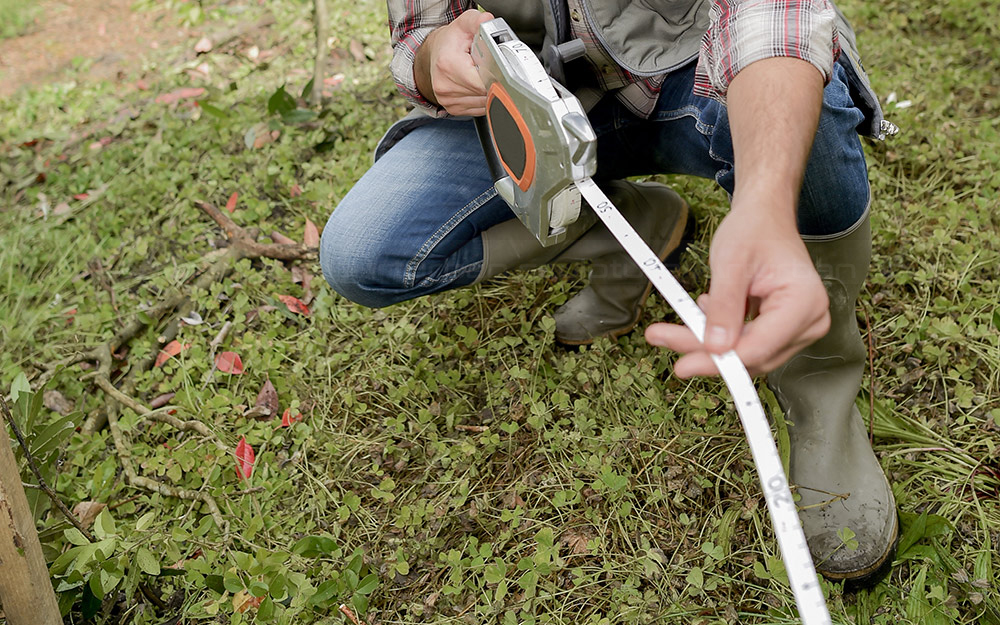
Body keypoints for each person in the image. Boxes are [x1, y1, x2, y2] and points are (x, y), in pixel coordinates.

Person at [320, 0, 898, 588]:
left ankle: (820, 384)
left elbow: (774, 13)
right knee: (366, 252)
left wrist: (767, 200)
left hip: (695, 70)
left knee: (807, 114)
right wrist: (433, 58)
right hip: (529, 98)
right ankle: (636, 225)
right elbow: (417, 30)